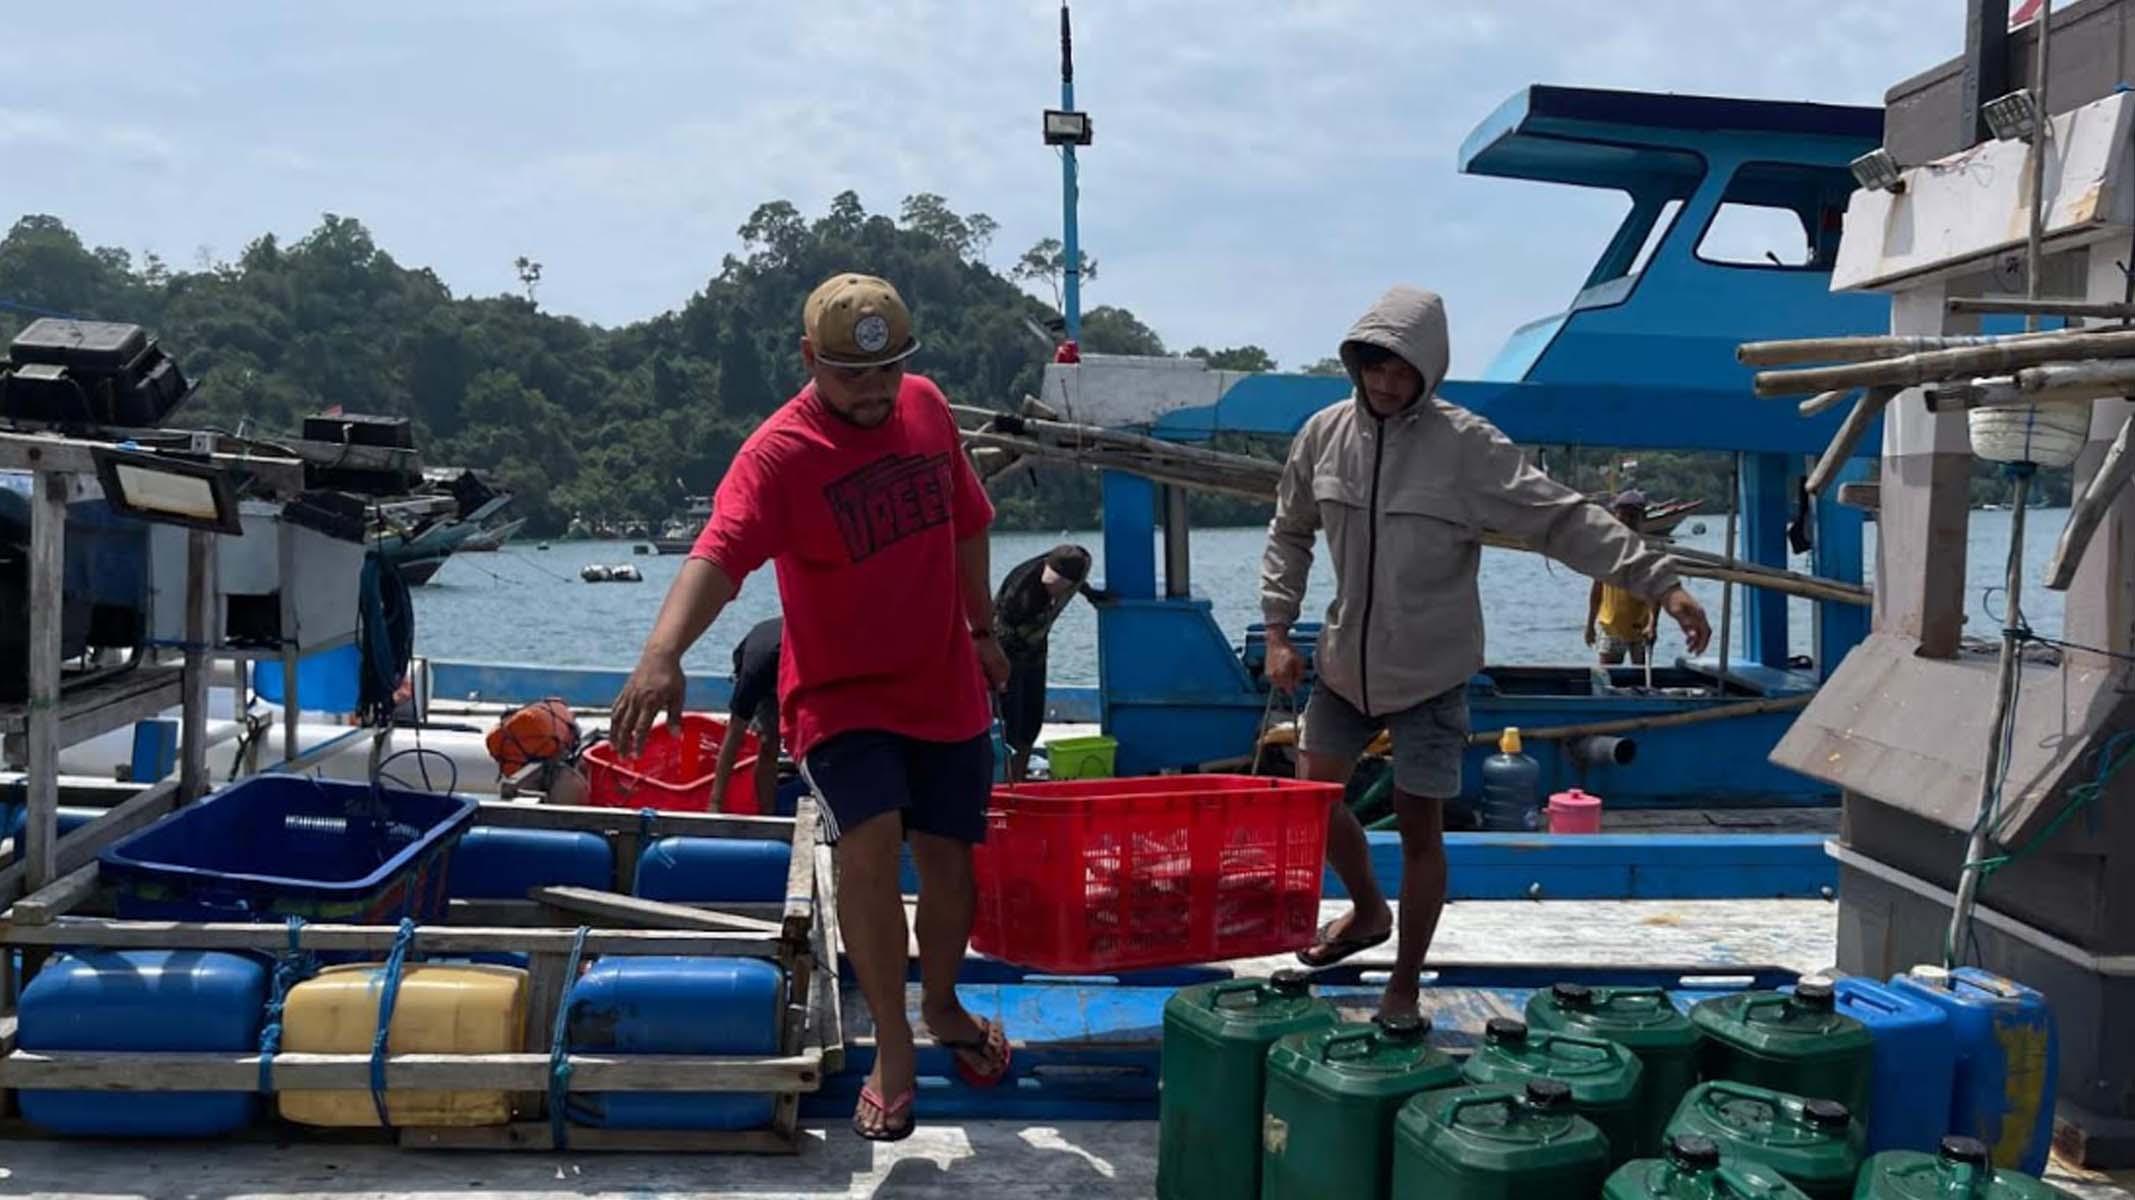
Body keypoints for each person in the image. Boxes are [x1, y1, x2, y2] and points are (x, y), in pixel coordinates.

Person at [610, 273, 1012, 1142]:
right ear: (808, 360)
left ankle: (942, 1003)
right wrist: (661, 654)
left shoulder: (927, 407)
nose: (874, 391)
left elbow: (969, 522)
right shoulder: (779, 454)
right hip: (839, 694)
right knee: (869, 844)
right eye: (850, 375)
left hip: (941, 678)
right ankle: (893, 1046)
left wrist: (981, 630)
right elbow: (719, 553)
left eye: (887, 370)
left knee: (950, 860)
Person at [1260, 286, 1712, 1020]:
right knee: (1314, 805)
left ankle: (1405, 982)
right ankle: (1368, 911)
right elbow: (1289, 531)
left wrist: (1660, 583)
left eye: (1401, 371)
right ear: (1355, 363)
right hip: (1343, 663)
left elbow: (1561, 518)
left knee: (1420, 828)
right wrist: (1279, 630)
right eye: (1374, 366)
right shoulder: (1322, 434)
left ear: (1428, 372)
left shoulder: (1467, 446)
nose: (1385, 384)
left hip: (1432, 672)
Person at [993, 544, 1102, 782]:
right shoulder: (1021, 592)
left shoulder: (1080, 565)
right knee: (1011, 724)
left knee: (1031, 721)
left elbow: (1078, 581)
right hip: (1008, 653)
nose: (1050, 587)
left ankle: (1020, 778)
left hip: (1036, 652)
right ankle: (1006, 781)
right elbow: (999, 634)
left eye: (1057, 584)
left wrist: (1091, 594)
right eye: (1049, 581)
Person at [710, 616, 783, 814]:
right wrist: (715, 804)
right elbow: (734, 733)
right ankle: (766, 812)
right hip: (763, 663)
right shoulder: (756, 671)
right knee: (769, 743)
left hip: (799, 663)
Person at [1586, 492, 1661, 666]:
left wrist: (1652, 624)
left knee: (1640, 674)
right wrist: (1590, 625)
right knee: (1607, 673)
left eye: (1633, 517)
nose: (1627, 521)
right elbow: (1597, 590)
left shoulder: (1648, 553)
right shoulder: (1607, 550)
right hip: (1611, 626)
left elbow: (1655, 594)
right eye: (1623, 516)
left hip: (1640, 627)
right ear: (1615, 517)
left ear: (1642, 519)